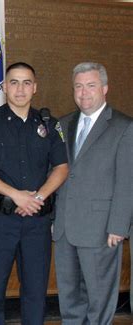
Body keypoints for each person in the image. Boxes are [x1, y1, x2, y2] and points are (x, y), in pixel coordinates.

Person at [0, 62, 69, 324]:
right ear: (5, 88)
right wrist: (16, 195)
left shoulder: (49, 124)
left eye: (26, 83)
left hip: (36, 221)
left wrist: (37, 197)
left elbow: (61, 167)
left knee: (35, 291)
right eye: (14, 82)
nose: (20, 88)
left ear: (34, 88)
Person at [53, 62, 133, 324]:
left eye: (91, 85)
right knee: (70, 299)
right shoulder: (62, 124)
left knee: (99, 301)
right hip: (65, 227)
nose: (84, 93)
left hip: (102, 230)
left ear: (105, 89)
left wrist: (118, 226)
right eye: (78, 86)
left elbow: (126, 180)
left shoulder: (123, 126)